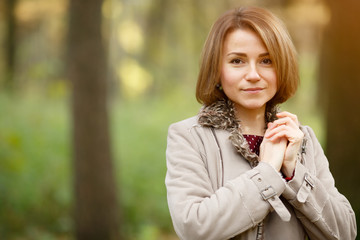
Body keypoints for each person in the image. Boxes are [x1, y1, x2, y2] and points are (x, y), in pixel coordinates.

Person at [165, 6, 356, 240]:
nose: (254, 74)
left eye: (266, 60)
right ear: (217, 70)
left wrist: (293, 173)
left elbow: (345, 232)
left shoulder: (301, 139)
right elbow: (194, 227)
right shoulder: (189, 137)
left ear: (281, 66)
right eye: (237, 61)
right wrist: (267, 173)